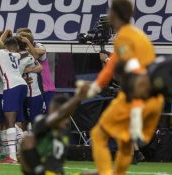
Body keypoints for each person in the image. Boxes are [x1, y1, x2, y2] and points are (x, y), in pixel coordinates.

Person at [79, 0, 164, 174]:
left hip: (136, 95)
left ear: (114, 15)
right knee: (124, 138)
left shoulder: (124, 37)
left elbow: (126, 67)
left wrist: (106, 66)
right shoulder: (136, 35)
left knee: (99, 134)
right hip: (149, 96)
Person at [20, 86, 88, 175]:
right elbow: (59, 115)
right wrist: (78, 97)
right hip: (42, 172)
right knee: (27, 139)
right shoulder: (42, 121)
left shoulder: (65, 130)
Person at [0, 37, 29, 163]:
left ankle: (12, 156)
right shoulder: (15, 54)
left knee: (9, 121)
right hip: (22, 85)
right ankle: (24, 153)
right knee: (16, 120)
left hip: (11, 86)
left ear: (4, 46)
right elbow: (25, 53)